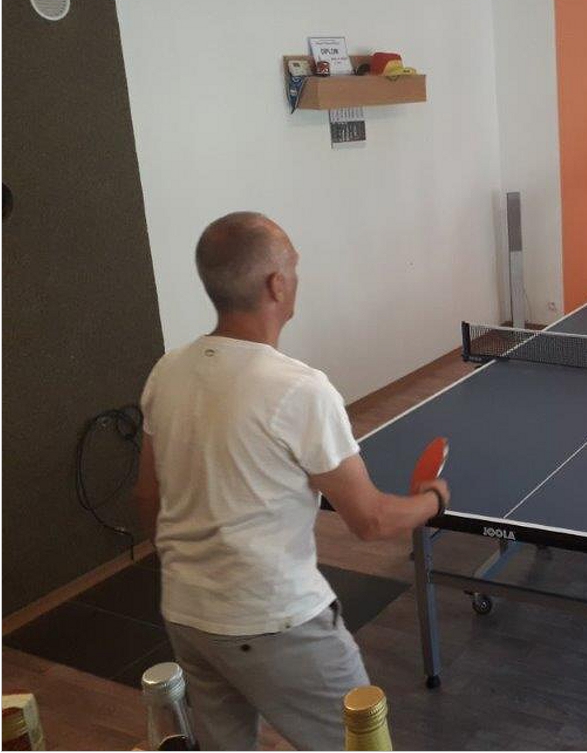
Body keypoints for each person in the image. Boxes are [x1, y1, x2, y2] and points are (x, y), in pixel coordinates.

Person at [134, 212, 449, 751]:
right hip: (277, 620)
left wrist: (196, 570)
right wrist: (431, 502)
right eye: (294, 267)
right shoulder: (300, 389)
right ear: (276, 284)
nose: (297, 277)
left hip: (188, 615)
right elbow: (370, 521)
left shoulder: (167, 372)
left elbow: (148, 498)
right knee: (358, 745)